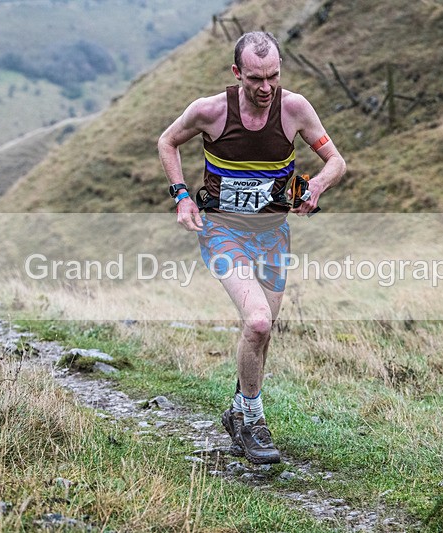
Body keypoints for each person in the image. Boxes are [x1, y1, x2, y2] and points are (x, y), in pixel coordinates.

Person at [157, 31, 346, 464]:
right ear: (237, 73)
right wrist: (182, 196)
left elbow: (336, 161)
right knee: (258, 322)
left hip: (273, 235)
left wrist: (315, 186)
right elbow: (167, 141)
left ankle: (238, 411)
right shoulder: (209, 111)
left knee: (260, 334)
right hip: (223, 231)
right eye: (256, 78)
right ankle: (255, 422)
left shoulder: (295, 108)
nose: (265, 88)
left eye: (273, 76)